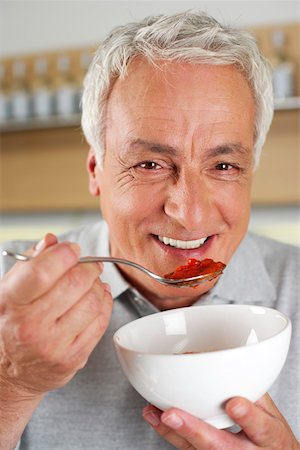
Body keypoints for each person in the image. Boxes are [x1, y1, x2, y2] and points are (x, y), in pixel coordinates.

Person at [0, 11, 299, 450]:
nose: (189, 213)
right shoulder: (10, 296)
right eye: (150, 164)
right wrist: (13, 384)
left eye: (223, 166)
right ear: (96, 170)